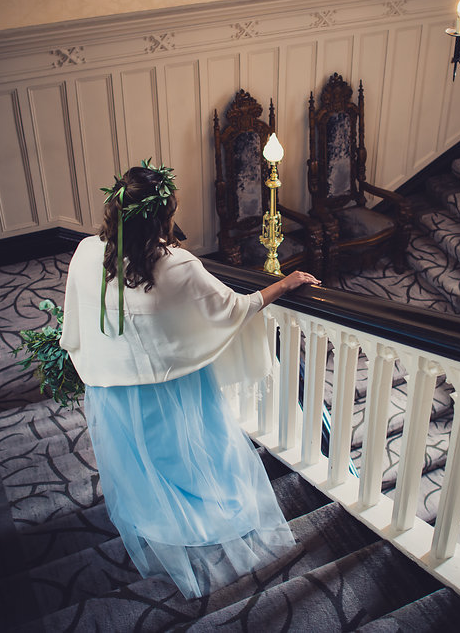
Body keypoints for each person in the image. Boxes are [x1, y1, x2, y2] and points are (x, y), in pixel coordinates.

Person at [59, 161, 319, 599]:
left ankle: (161, 515)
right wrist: (283, 284)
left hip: (112, 385)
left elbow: (77, 315)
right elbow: (233, 308)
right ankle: (205, 518)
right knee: (192, 447)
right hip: (169, 387)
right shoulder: (177, 264)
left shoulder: (87, 251)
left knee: (144, 455)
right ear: (162, 217)